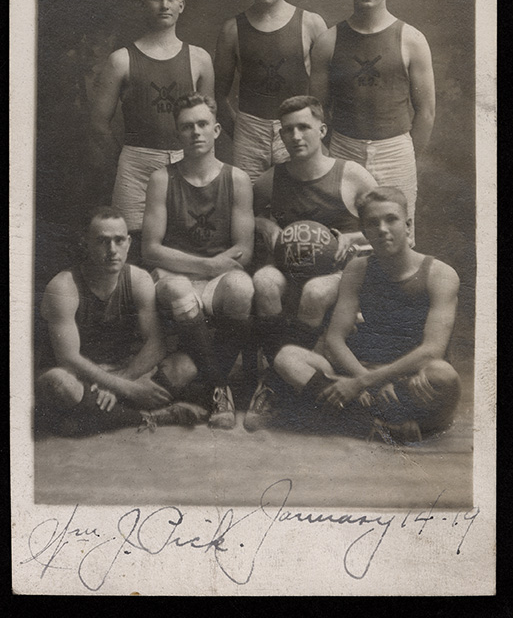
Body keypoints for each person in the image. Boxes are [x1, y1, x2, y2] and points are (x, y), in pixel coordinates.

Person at [274, 187, 462, 444]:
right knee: (288, 357)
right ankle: (375, 425)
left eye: (391, 219)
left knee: (444, 374)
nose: (383, 229)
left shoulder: (440, 274)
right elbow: (335, 339)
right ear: (364, 233)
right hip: (366, 371)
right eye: (373, 223)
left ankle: (355, 419)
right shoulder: (358, 269)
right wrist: (363, 379)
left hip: (411, 380)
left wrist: (362, 383)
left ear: (407, 226)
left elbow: (432, 351)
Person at [245, 95, 377, 431]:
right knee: (263, 282)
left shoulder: (351, 175)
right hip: (290, 271)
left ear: (322, 128)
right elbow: (245, 219)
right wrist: (263, 224)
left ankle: (274, 384)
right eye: (287, 130)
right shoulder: (270, 180)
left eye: (304, 127)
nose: (296, 136)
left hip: (341, 273)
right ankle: (281, 379)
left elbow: (388, 224)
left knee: (316, 292)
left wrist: (354, 238)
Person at [36, 207, 208, 436]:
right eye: (102, 242)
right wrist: (129, 390)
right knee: (56, 383)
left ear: (128, 243)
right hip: (80, 377)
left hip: (123, 370)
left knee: (185, 366)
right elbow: (68, 359)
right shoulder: (63, 286)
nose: (112, 250)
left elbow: (156, 343)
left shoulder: (138, 279)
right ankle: (149, 416)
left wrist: (121, 383)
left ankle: (91, 419)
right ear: (85, 244)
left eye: (119, 241)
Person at [142, 93, 255, 430]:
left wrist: (216, 269)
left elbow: (243, 250)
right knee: (177, 288)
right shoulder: (162, 179)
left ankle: (204, 382)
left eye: (203, 124)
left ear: (217, 129)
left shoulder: (237, 179)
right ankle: (220, 388)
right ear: (178, 134)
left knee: (241, 287)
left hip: (219, 277)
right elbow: (150, 250)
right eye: (186, 126)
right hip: (174, 277)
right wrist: (206, 266)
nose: (196, 132)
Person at [311, 0, 435, 236]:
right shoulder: (328, 41)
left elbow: (426, 111)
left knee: (396, 239)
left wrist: (404, 155)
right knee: (344, 237)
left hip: (396, 151)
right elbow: (316, 110)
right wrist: (332, 157)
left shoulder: (412, 39)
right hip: (343, 148)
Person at [90, 0, 215, 256]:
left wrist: (197, 164)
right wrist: (126, 160)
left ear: (181, 5)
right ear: (142, 4)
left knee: (188, 245)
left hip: (187, 162)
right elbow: (98, 124)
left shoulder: (199, 59)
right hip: (136, 164)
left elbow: (208, 123)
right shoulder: (120, 60)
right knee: (129, 251)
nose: (165, 5)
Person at [214, 0, 327, 182]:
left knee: (297, 200)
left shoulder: (311, 24)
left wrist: (313, 132)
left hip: (297, 129)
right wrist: (243, 133)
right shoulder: (232, 29)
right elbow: (218, 95)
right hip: (249, 130)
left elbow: (329, 92)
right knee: (249, 203)